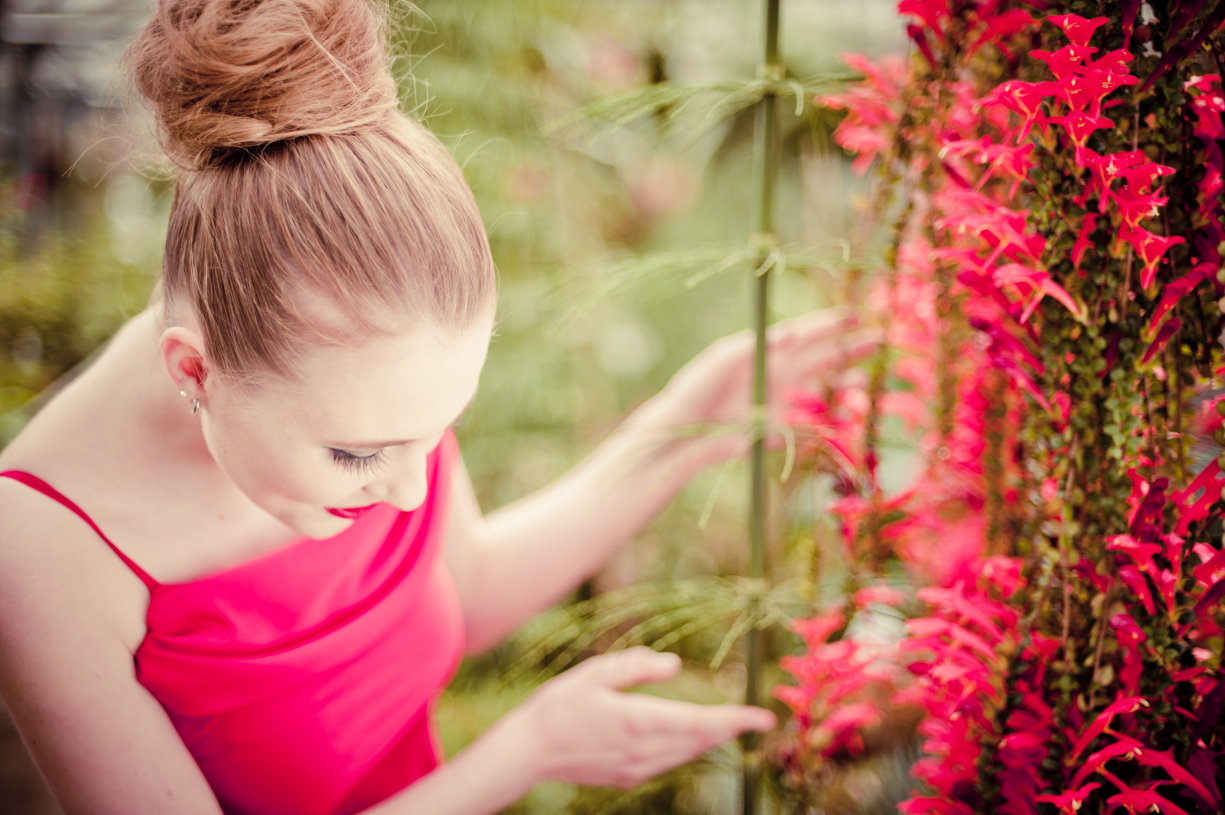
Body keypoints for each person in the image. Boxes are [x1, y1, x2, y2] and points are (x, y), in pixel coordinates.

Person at [0, 0, 874, 812]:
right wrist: (517, 755)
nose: (411, 493)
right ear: (194, 370)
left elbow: (465, 589)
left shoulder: (361, 396)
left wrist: (687, 424)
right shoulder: (39, 549)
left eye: (438, 432)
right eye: (358, 455)